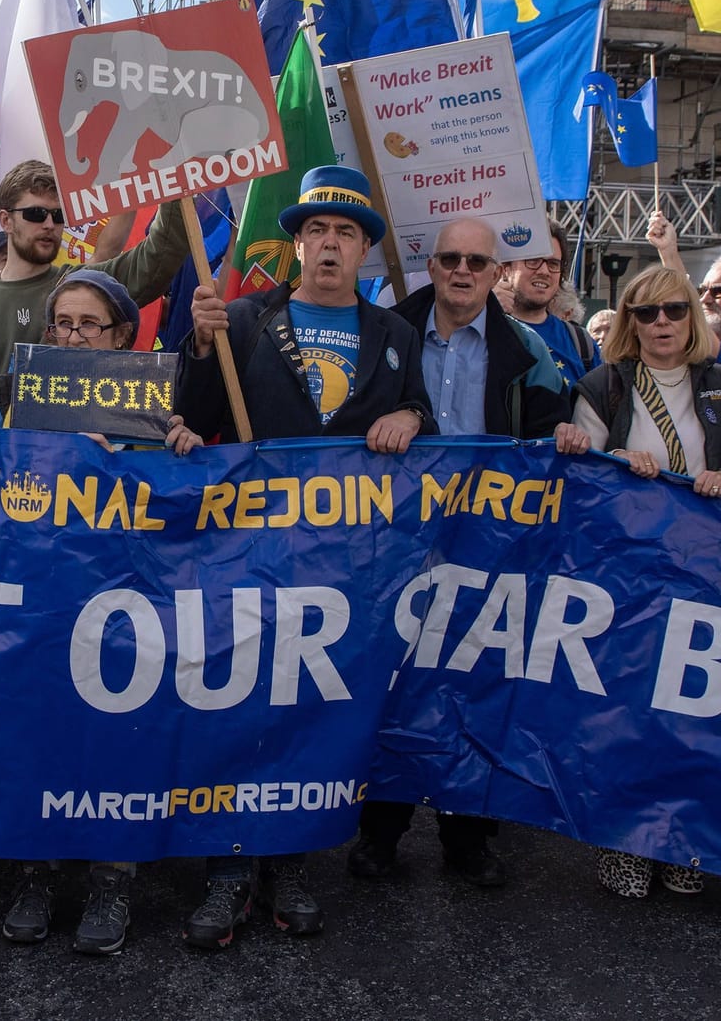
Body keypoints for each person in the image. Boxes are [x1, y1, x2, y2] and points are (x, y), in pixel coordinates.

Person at [176, 164, 433, 949]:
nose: (329, 244)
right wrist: (196, 344)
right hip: (246, 552)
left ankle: (287, 861)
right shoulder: (246, 320)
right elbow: (193, 417)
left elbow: (421, 406)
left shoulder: (394, 336)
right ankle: (226, 869)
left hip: (344, 562)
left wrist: (413, 417)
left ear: (364, 253)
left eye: (345, 233)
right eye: (315, 230)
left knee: (306, 708)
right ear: (294, 244)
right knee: (237, 698)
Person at [349, 216, 568, 888]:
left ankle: (467, 836)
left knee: (474, 686)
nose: (463, 270)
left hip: (486, 545)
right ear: (432, 264)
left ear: (499, 271)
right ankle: (380, 833)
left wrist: (566, 437)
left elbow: (548, 433)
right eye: (450, 258)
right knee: (392, 683)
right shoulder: (382, 331)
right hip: (401, 539)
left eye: (478, 259)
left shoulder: (528, 348)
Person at [0, 268, 200, 956]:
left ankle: (113, 879)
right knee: (38, 739)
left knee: (120, 744)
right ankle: (37, 874)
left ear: (121, 336)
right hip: (42, 606)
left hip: (123, 613)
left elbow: (184, 519)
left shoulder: (150, 414)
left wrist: (178, 457)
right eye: (63, 323)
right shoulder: (23, 406)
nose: (74, 335)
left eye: (91, 325)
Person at [552, 263, 721, 898]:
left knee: (693, 711)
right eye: (646, 313)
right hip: (626, 574)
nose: (661, 323)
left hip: (704, 571)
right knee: (626, 713)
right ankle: (624, 842)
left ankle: (683, 843)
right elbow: (580, 478)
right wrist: (615, 462)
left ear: (691, 317)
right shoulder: (602, 387)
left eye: (673, 310)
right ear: (631, 323)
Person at [0, 160, 192, 371]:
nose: (50, 224)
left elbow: (162, 252)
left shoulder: (83, 285)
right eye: (36, 214)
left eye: (59, 215)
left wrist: (171, 166)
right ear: (5, 220)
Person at [644, 212, 721, 381]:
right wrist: (668, 252)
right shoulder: (693, 342)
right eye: (701, 291)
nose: (705, 299)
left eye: (718, 291)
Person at [499, 224, 600, 384]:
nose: (544, 271)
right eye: (533, 261)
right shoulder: (481, 332)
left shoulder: (582, 345)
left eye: (553, 264)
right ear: (505, 269)